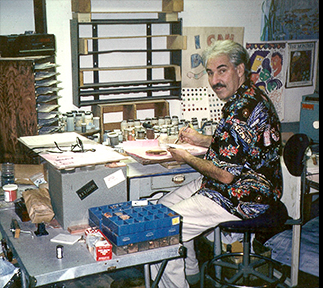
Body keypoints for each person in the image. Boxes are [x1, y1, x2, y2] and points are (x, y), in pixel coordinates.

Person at [150, 40, 284, 288]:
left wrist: (186, 157)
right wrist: (201, 139)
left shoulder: (240, 109)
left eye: (222, 70)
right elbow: (237, 145)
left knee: (160, 229)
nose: (214, 81)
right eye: (210, 73)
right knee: (163, 205)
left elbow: (225, 176)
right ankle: (190, 271)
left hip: (245, 195)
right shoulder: (250, 97)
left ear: (240, 70)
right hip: (245, 184)